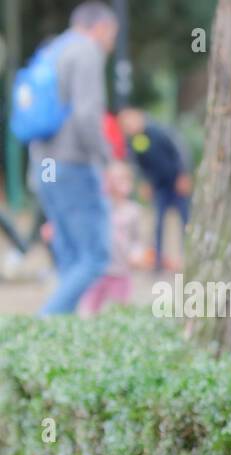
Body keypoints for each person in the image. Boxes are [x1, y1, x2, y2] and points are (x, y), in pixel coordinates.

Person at [28, 2, 118, 316]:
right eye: (112, 35)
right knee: (94, 257)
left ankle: (62, 332)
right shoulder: (86, 51)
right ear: (102, 27)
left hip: (44, 164)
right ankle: (45, 323)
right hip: (71, 164)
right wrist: (109, 160)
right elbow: (86, 114)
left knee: (68, 255)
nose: (111, 44)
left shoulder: (51, 50)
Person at [116, 108, 192, 272]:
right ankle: (157, 261)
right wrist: (145, 182)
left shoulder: (158, 130)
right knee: (158, 223)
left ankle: (188, 257)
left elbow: (179, 150)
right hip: (159, 185)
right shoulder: (136, 141)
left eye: (130, 123)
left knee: (185, 220)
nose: (129, 127)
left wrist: (183, 173)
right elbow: (139, 163)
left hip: (176, 180)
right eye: (125, 126)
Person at [79, 161, 144, 314]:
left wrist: (137, 254)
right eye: (113, 180)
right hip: (97, 272)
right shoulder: (97, 209)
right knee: (89, 311)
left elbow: (137, 239)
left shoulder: (133, 211)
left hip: (121, 271)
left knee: (119, 311)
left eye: (122, 179)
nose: (117, 185)